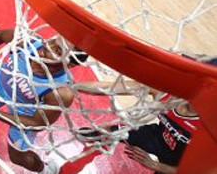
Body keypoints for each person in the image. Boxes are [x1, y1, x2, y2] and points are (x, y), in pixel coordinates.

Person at [0, 28, 87, 174]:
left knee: (18, 157)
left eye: (58, 51)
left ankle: (44, 170)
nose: (48, 47)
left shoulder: (61, 91)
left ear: (70, 65)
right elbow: (1, 35)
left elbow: (37, 123)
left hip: (26, 112)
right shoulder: (29, 43)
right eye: (54, 41)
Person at [73, 56, 216, 174]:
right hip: (159, 136)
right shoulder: (169, 92)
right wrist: (72, 85)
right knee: (116, 130)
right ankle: (102, 136)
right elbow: (109, 88)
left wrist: (156, 165)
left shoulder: (210, 127)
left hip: (180, 162)